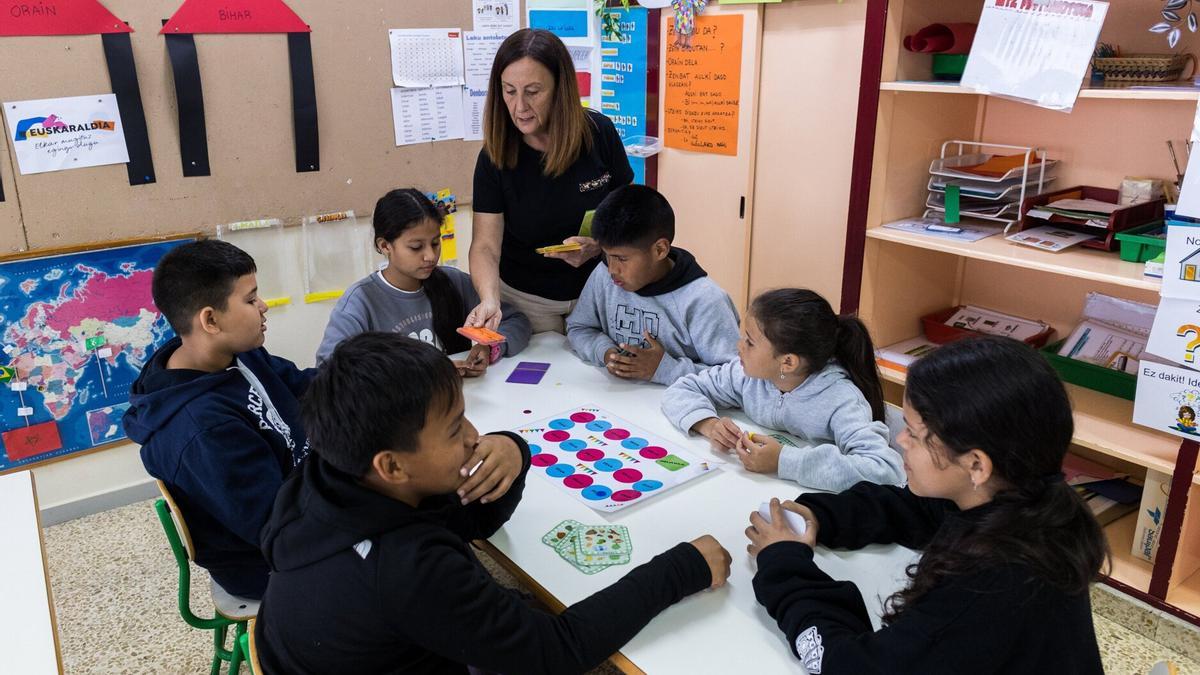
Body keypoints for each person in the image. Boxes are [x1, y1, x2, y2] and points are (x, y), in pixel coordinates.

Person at [254, 333, 732, 674]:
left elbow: (469, 520)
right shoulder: (406, 570)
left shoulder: (327, 474)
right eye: (454, 428)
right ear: (392, 465)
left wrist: (514, 450)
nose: (473, 436)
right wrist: (682, 568)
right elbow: (556, 653)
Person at [746, 336, 1107, 674]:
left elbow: (849, 666)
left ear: (977, 465)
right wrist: (822, 515)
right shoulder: (1030, 497)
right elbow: (916, 509)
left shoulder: (990, 590)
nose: (900, 440)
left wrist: (783, 564)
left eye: (915, 435)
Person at [124, 240, 313, 600]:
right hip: (266, 562)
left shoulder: (238, 356)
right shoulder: (203, 429)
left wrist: (375, 373)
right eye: (250, 299)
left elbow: (304, 385)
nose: (264, 306)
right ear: (210, 319)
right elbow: (281, 528)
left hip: (301, 501)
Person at [467, 28, 634, 334]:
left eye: (533, 91)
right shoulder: (494, 157)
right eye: (509, 90)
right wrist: (489, 300)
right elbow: (486, 246)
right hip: (527, 301)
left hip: (598, 290)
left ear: (561, 89)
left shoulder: (599, 134)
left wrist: (598, 246)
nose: (519, 107)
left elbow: (628, 215)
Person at [662, 289, 903, 491]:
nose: (739, 346)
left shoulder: (841, 400)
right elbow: (683, 388)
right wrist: (707, 423)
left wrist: (783, 461)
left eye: (750, 342)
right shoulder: (748, 376)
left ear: (787, 362)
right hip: (756, 489)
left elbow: (884, 470)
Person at [316, 188, 530, 374]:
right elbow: (329, 370)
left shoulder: (453, 281)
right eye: (416, 247)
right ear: (384, 246)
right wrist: (419, 376)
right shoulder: (360, 302)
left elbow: (517, 321)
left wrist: (490, 347)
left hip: (461, 403)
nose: (430, 256)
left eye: (435, 243)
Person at [565, 184, 739, 384]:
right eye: (607, 255)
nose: (612, 269)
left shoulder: (705, 299)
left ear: (660, 250)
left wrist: (664, 369)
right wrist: (606, 353)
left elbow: (734, 377)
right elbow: (578, 327)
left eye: (621, 259)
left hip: (676, 406)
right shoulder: (603, 274)